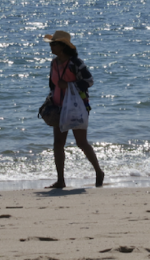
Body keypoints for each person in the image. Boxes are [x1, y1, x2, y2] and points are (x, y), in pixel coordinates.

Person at [43, 30, 104, 188]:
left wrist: (70, 85)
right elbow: (52, 85)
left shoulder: (75, 63)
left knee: (81, 142)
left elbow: (89, 81)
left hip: (77, 107)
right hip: (58, 106)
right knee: (58, 144)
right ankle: (61, 180)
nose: (51, 47)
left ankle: (98, 171)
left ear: (62, 46)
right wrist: (49, 100)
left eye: (54, 44)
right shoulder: (54, 63)